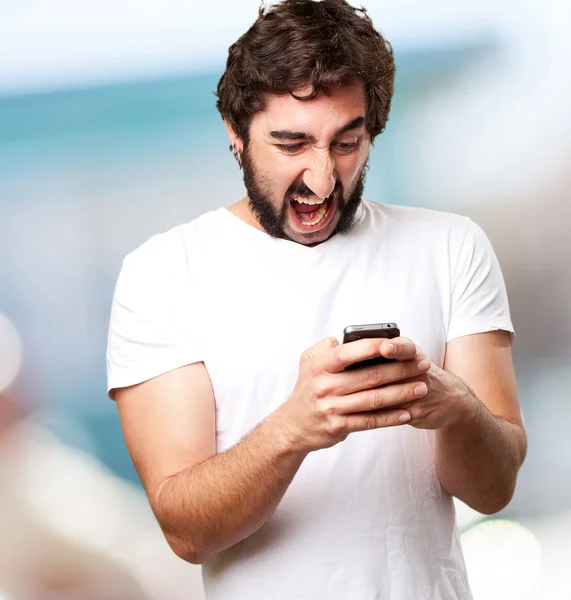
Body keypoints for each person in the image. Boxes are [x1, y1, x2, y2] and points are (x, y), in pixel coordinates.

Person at [106, 1, 527, 598]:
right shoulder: (164, 274)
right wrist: (296, 426)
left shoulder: (452, 246)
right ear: (235, 133)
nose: (322, 180)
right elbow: (186, 530)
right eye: (292, 143)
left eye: (346, 143)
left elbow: (493, 489)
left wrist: (452, 406)